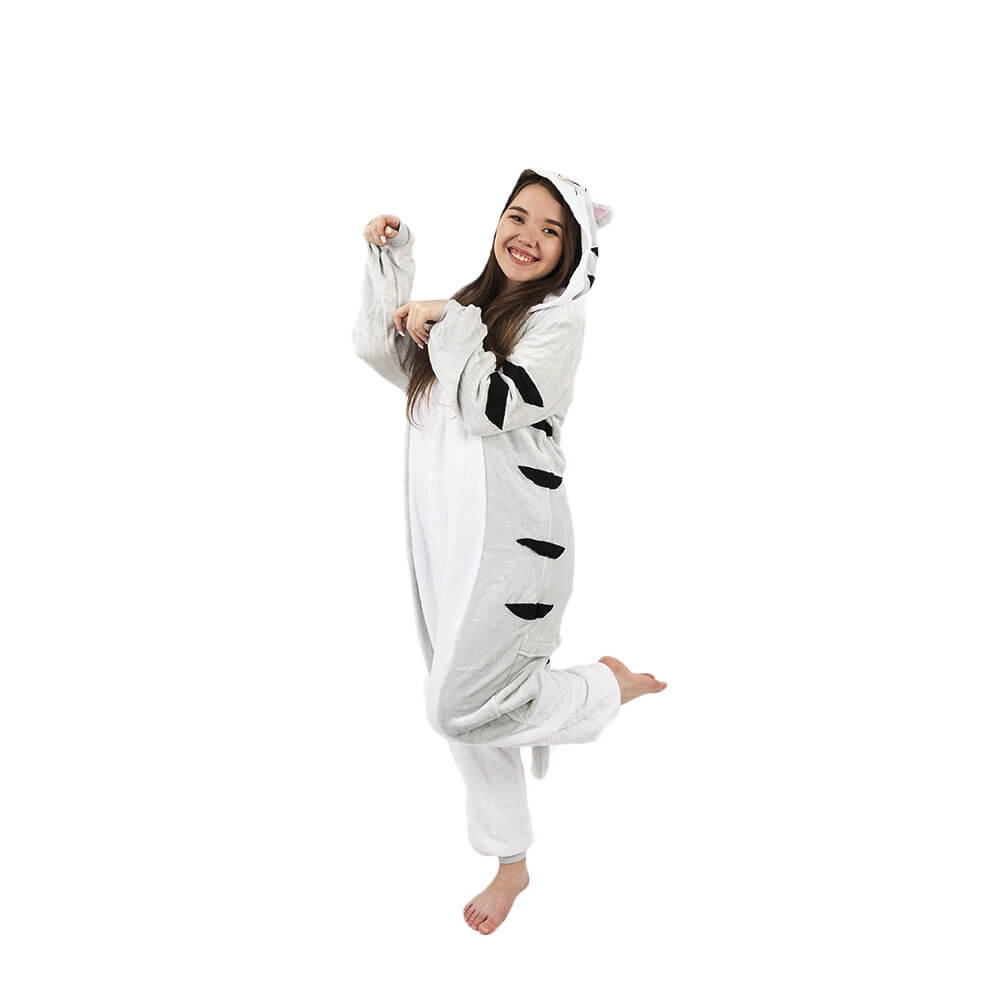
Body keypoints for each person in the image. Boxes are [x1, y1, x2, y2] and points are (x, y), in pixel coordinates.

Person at [352, 168, 668, 934]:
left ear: (572, 252)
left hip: (512, 550)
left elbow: (490, 405)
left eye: (552, 230)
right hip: (446, 537)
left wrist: (451, 321)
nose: (527, 236)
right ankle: (509, 859)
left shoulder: (558, 322)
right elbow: (379, 351)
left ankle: (602, 687)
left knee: (460, 708)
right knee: (466, 701)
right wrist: (393, 264)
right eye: (518, 216)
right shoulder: (470, 308)